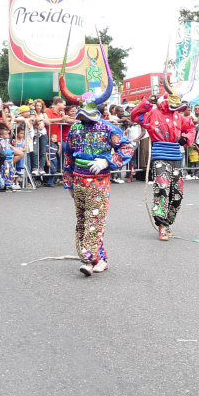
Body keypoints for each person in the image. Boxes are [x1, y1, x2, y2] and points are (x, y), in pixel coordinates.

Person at [59, 63, 133, 276]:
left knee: (94, 219)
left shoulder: (108, 127)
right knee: (82, 220)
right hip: (79, 180)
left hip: (99, 181)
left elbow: (127, 146)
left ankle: (89, 261)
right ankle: (99, 259)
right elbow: (68, 155)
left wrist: (107, 161)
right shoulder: (75, 128)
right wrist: (68, 181)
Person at [131, 85, 196, 241]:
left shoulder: (179, 117)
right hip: (160, 156)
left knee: (178, 194)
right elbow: (135, 116)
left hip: (175, 156)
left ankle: (168, 222)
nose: (175, 109)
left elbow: (191, 128)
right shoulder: (154, 113)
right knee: (162, 188)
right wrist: (147, 103)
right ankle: (162, 225)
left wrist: (185, 138)